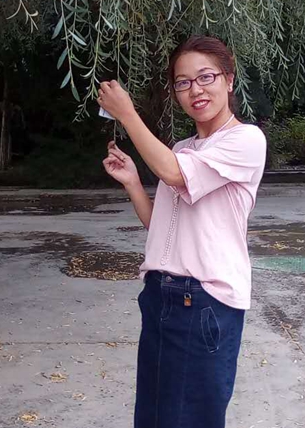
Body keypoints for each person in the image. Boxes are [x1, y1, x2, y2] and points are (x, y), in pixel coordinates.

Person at [98, 35, 267, 428]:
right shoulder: (182, 147)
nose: (196, 90)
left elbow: (173, 173)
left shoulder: (245, 140)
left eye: (206, 77)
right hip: (161, 294)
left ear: (229, 79)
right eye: (183, 82)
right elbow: (161, 225)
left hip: (204, 300)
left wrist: (127, 114)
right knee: (155, 417)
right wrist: (133, 183)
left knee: (191, 418)